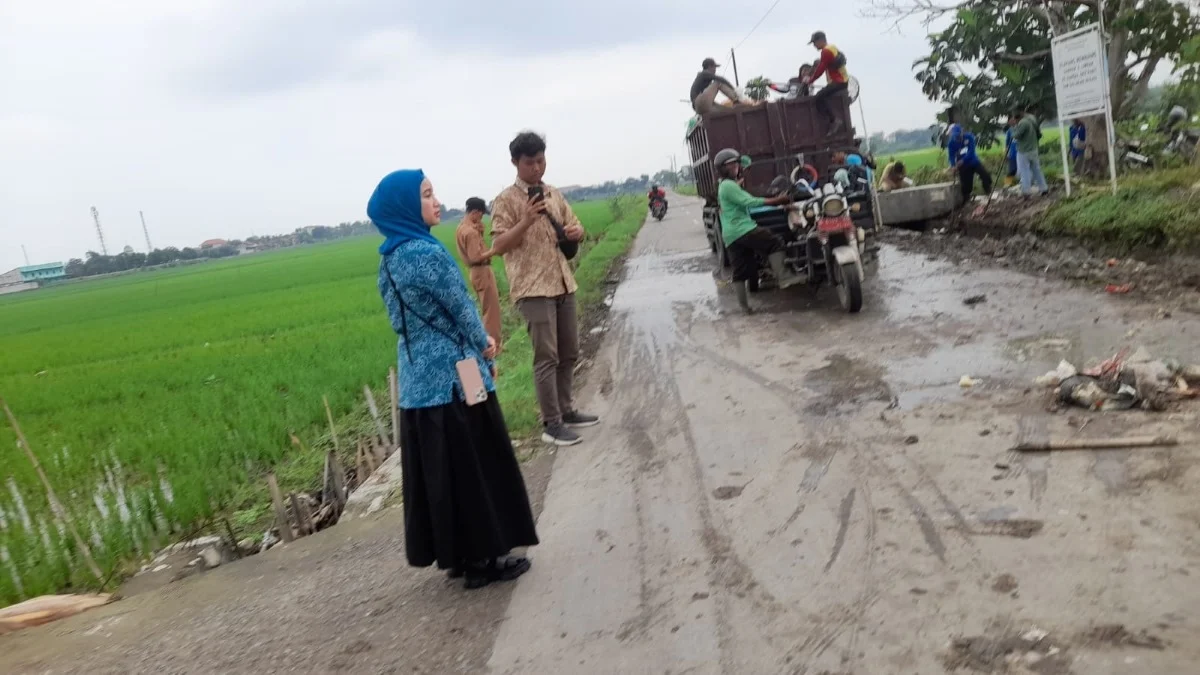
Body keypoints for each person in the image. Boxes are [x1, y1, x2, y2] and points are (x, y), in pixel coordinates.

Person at [370, 169, 538, 590]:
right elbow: (461, 307)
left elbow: (398, 321)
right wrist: (485, 343)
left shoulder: (388, 260)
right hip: (460, 374)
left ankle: (462, 556)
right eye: (427, 195)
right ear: (407, 206)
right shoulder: (426, 254)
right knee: (479, 459)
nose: (436, 201)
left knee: (445, 472)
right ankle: (485, 559)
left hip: (417, 385)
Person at [490, 131, 599, 447]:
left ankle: (566, 410)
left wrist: (577, 231)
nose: (537, 168)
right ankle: (551, 423)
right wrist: (524, 220)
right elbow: (498, 245)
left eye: (541, 160)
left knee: (570, 351)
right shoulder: (506, 201)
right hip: (532, 287)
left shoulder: (554, 194)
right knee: (546, 355)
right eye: (529, 163)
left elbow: (575, 226)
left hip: (563, 281)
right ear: (515, 163)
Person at [714, 147, 800, 314]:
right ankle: (784, 277)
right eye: (731, 166)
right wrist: (777, 201)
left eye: (736, 165)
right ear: (723, 169)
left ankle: (745, 308)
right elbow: (751, 202)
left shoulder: (725, 186)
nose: (736, 168)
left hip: (731, 234)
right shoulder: (728, 186)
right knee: (774, 242)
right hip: (742, 228)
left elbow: (740, 195)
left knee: (741, 270)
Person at [455, 197, 502, 352]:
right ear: (475, 212)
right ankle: (492, 346)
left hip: (475, 272)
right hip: (481, 270)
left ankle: (489, 343)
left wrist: (480, 231)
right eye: (481, 215)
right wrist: (494, 250)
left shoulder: (462, 228)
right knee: (491, 310)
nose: (481, 218)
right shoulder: (470, 232)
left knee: (486, 308)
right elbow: (475, 256)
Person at [804, 31, 850, 135]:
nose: (814, 46)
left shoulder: (825, 51)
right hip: (843, 81)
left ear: (820, 40)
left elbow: (821, 69)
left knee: (819, 97)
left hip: (838, 82)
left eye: (814, 43)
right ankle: (833, 120)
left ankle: (834, 120)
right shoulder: (832, 47)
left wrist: (810, 81)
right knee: (822, 94)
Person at [946, 124, 993, 201]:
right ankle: (966, 199)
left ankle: (988, 191)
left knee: (985, 175)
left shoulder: (969, 137)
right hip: (963, 166)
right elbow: (951, 156)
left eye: (958, 135)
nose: (957, 137)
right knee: (966, 186)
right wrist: (953, 165)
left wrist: (963, 160)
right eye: (954, 135)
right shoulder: (951, 143)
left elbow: (971, 151)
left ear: (961, 132)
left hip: (973, 161)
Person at [1011, 109, 1048, 197]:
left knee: (1025, 171)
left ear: (1016, 117)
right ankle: (1044, 188)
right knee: (1036, 170)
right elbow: (1038, 133)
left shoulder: (1022, 123)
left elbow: (1016, 135)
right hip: (1033, 149)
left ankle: (1026, 191)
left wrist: (1014, 126)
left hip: (1024, 150)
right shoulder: (1032, 118)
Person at [1003, 120, 1018, 188]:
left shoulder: (1022, 127)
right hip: (1013, 154)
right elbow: (1007, 143)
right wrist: (1006, 153)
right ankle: (1007, 184)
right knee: (1012, 170)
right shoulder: (1010, 130)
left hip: (1022, 153)